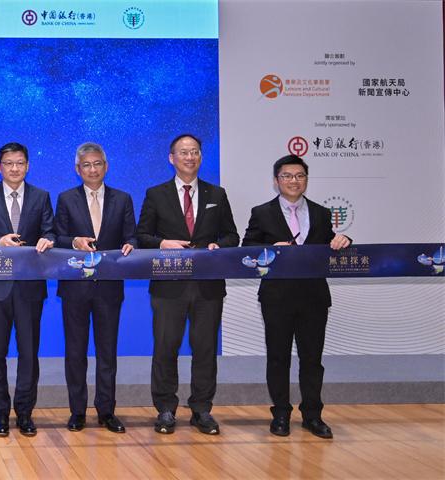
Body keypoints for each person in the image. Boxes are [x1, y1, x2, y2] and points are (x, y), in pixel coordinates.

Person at [136, 134, 239, 435]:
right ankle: (165, 409)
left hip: (208, 286)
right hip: (169, 285)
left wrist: (219, 246)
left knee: (205, 349)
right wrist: (162, 243)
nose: (190, 157)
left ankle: (202, 409)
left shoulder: (216, 194)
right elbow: (142, 237)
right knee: (165, 347)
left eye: (194, 152)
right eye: (183, 152)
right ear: (172, 158)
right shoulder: (156, 194)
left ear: (201, 157)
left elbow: (232, 235)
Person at [242, 154, 351, 439]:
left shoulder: (321, 213)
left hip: (314, 297)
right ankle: (280, 413)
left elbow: (332, 243)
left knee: (312, 359)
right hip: (276, 297)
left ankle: (313, 415)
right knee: (278, 358)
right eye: (287, 176)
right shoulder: (261, 212)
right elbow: (247, 249)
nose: (294, 181)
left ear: (306, 179)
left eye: (300, 175)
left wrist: (344, 240)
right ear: (276, 180)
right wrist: (271, 248)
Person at [0, 142, 54, 437]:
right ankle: (0, 414)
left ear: (28, 166)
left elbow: (51, 231)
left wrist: (48, 239)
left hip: (30, 287)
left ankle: (25, 413)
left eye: (19, 163)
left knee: (29, 354)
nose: (14, 168)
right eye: (8, 163)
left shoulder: (41, 197)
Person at [54, 142, 136, 434]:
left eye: (97, 163)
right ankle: (77, 411)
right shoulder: (66, 199)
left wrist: (131, 245)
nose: (92, 169)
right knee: (75, 352)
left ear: (106, 166)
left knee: (107, 352)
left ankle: (106, 411)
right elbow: (57, 237)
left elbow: (132, 236)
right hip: (75, 287)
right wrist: (74, 242)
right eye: (86, 165)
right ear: (78, 169)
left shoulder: (122, 199)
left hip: (109, 288)